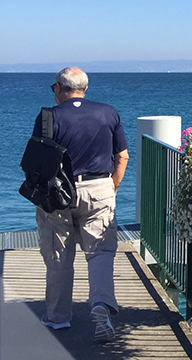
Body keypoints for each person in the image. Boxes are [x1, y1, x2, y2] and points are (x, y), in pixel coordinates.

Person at [33, 67, 128, 342]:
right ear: (84, 88)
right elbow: (122, 156)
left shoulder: (49, 117)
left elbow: (38, 160)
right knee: (100, 252)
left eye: (54, 88)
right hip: (99, 188)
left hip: (58, 193)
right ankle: (100, 306)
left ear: (60, 89)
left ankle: (58, 318)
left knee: (58, 254)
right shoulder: (109, 112)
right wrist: (111, 187)